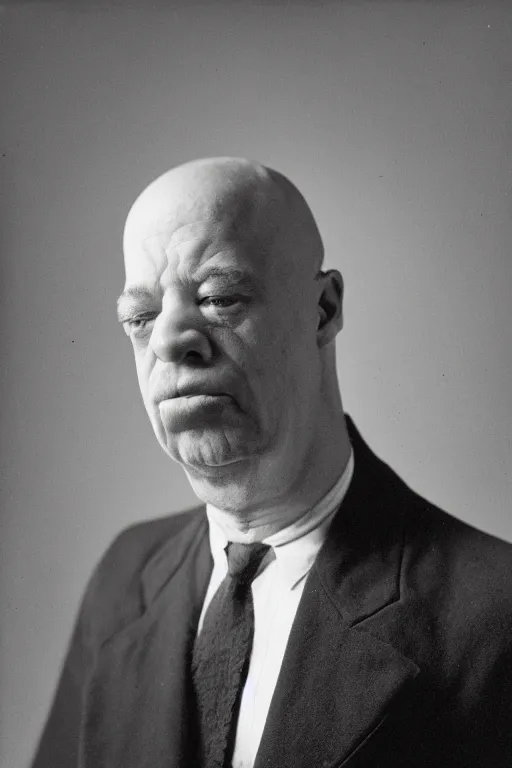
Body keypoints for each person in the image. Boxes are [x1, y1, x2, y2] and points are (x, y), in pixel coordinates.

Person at [32, 157, 512, 768]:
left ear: (324, 310)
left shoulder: (497, 614)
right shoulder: (122, 578)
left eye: (220, 296)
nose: (169, 340)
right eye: (141, 317)